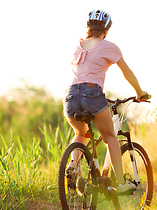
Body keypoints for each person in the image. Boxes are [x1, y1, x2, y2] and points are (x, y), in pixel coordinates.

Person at [63, 10, 149, 193]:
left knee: (81, 132)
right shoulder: (108, 46)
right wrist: (139, 92)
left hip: (70, 96)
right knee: (111, 137)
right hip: (91, 93)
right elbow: (128, 72)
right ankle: (120, 183)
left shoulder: (78, 46)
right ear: (106, 29)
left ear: (88, 28)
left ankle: (72, 165)